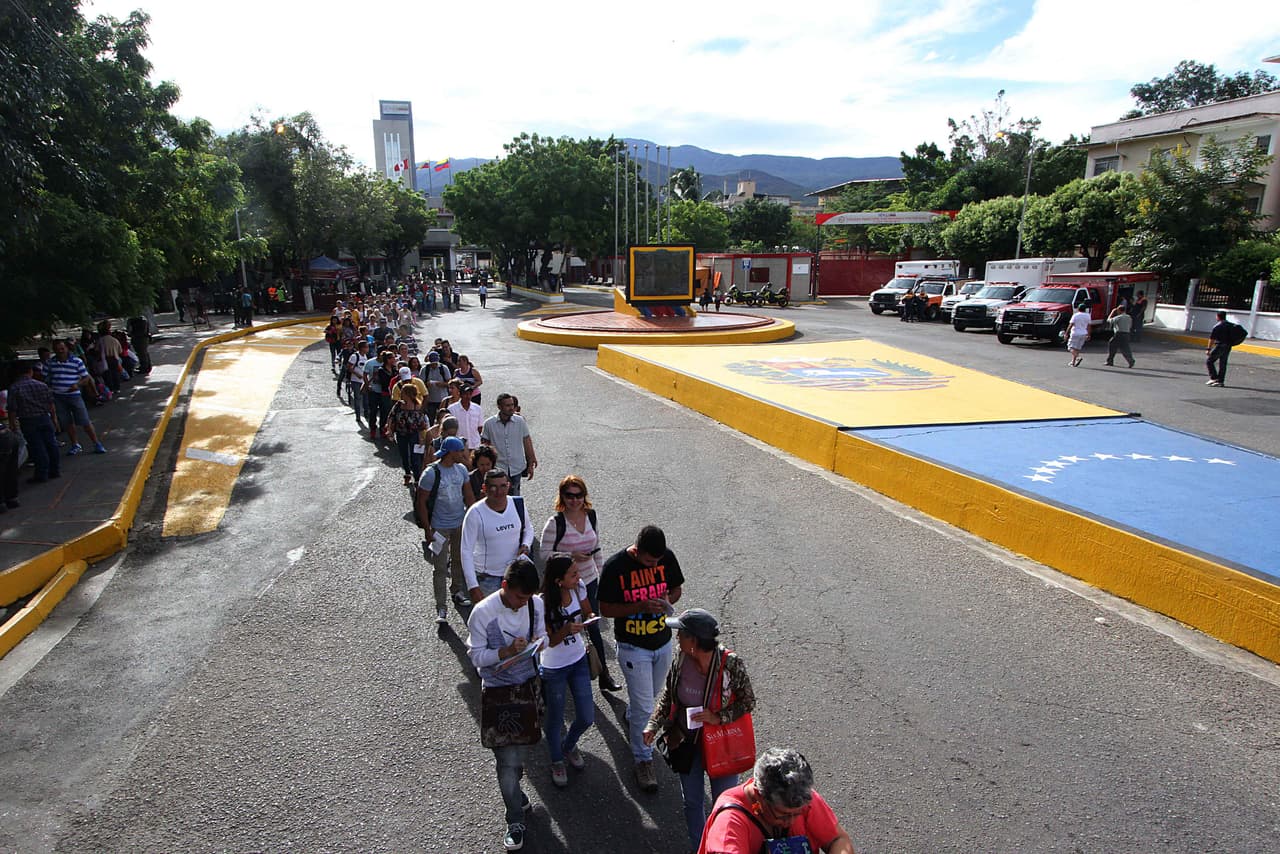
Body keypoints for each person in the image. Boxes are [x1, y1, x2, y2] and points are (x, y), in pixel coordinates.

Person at [644, 609, 757, 850]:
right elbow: (668, 695)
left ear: (694, 641)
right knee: (692, 802)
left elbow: (748, 702)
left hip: (721, 744)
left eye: (681, 634)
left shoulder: (730, 664)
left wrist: (719, 717)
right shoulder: (681, 658)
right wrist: (653, 724)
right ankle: (701, 848)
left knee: (725, 803)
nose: (677, 638)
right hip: (686, 741)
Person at [597, 525, 685, 793]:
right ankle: (643, 760)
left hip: (662, 641)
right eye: (649, 561)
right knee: (647, 707)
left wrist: (667, 598)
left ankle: (633, 715)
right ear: (636, 551)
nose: (655, 565)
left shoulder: (665, 557)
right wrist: (640, 606)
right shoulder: (615, 567)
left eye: (657, 561)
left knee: (650, 696)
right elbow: (605, 609)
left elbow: (677, 588)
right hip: (633, 647)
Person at [466, 558, 545, 853]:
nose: (521, 604)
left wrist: (538, 642)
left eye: (526, 598)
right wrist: (504, 652)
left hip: (529, 689)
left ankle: (517, 792)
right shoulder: (483, 613)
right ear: (504, 586)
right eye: (517, 597)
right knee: (507, 763)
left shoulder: (535, 604)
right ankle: (514, 819)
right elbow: (476, 657)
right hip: (499, 694)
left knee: (519, 755)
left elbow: (544, 636)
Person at [538, 475, 620, 692]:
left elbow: (597, 548)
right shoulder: (555, 523)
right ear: (562, 497)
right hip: (564, 584)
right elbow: (544, 554)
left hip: (589, 580)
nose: (575, 500)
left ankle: (604, 676)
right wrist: (570, 554)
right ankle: (557, 672)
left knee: (593, 627)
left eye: (579, 495)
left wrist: (602, 577)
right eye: (569, 495)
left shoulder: (590, 516)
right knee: (562, 626)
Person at [699, 748, 856, 854]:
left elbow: (838, 839)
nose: (791, 821)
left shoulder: (799, 798)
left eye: (798, 813)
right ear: (759, 795)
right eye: (783, 815)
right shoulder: (729, 825)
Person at [539, 554, 597, 788]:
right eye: (573, 574)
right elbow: (547, 641)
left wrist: (590, 619)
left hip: (578, 660)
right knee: (554, 718)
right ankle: (556, 761)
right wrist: (566, 630)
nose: (579, 577)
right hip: (554, 668)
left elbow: (588, 611)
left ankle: (568, 745)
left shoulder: (578, 589)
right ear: (558, 581)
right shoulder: (541, 603)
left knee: (586, 716)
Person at [416, 435, 477, 621]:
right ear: (451, 452)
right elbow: (421, 503)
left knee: (459, 560)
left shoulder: (461, 470)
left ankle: (457, 590)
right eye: (460, 451)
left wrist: (475, 520)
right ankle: (441, 607)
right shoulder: (431, 474)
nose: (463, 454)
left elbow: (469, 497)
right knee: (440, 568)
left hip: (459, 524)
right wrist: (428, 529)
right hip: (439, 528)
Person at [460, 467, 533, 602]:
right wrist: (473, 586)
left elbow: (528, 529)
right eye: (493, 487)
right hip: (487, 579)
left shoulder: (518, 505)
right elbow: (466, 551)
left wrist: (525, 545)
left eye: (503, 486)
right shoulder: (475, 513)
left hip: (514, 575)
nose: (499, 492)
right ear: (484, 488)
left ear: (508, 486)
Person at [46, 340, 106, 454]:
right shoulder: (50, 363)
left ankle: (96, 443)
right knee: (67, 422)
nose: (60, 351)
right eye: (57, 349)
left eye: (62, 349)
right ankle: (75, 444)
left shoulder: (76, 361)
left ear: (66, 349)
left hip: (74, 395)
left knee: (84, 420)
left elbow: (86, 377)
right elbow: (45, 378)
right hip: (58, 396)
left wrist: (77, 385)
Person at [481, 393, 538, 497]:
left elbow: (527, 441)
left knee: (515, 496)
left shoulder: (520, 421)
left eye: (512, 405)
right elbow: (485, 447)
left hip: (516, 467)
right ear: (499, 407)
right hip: (498, 468)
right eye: (507, 405)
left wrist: (531, 461)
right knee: (498, 495)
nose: (511, 408)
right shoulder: (489, 424)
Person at [387, 382, 429, 487]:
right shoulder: (399, 405)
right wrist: (390, 430)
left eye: (403, 392)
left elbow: (421, 424)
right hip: (401, 434)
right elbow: (391, 417)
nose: (401, 394)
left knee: (415, 458)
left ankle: (417, 477)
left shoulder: (417, 406)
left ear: (409, 394)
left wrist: (421, 438)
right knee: (404, 455)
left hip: (413, 435)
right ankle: (407, 474)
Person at [1206, 310, 1240, 387]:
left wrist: (1208, 349)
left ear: (1218, 317)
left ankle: (1214, 378)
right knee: (1223, 364)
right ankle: (1220, 381)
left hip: (1220, 345)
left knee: (1209, 361)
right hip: (1228, 346)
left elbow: (1212, 339)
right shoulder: (1230, 325)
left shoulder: (1217, 326)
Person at [447, 380, 484, 450]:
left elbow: (480, 428)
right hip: (459, 447)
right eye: (465, 394)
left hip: (475, 445)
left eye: (470, 394)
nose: (468, 396)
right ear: (460, 394)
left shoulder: (478, 409)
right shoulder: (452, 409)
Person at [420, 351, 452, 423]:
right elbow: (421, 384)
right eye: (432, 363)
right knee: (430, 419)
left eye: (435, 363)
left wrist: (442, 384)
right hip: (430, 400)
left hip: (442, 399)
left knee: (444, 418)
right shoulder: (425, 369)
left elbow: (449, 383)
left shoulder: (444, 368)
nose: (434, 365)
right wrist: (426, 384)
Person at [1067, 303, 1091, 367]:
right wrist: (1088, 334)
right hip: (1083, 333)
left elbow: (1071, 324)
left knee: (1070, 347)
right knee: (1077, 348)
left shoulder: (1075, 315)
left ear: (1078, 308)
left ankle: (1078, 357)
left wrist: (1066, 333)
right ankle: (1073, 362)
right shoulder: (1088, 315)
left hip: (1075, 333)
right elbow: (1089, 326)